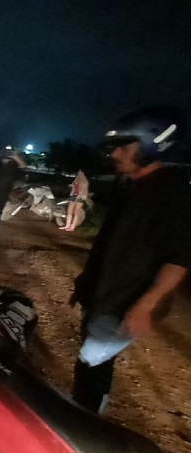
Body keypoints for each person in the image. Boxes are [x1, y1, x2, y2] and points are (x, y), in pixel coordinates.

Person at [71, 106, 191, 414]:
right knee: (94, 362)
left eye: (125, 146)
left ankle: (85, 427)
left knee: (90, 368)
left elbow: (179, 258)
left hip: (123, 303)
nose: (116, 153)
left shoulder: (172, 194)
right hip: (100, 296)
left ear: (152, 145)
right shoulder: (130, 186)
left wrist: (146, 305)